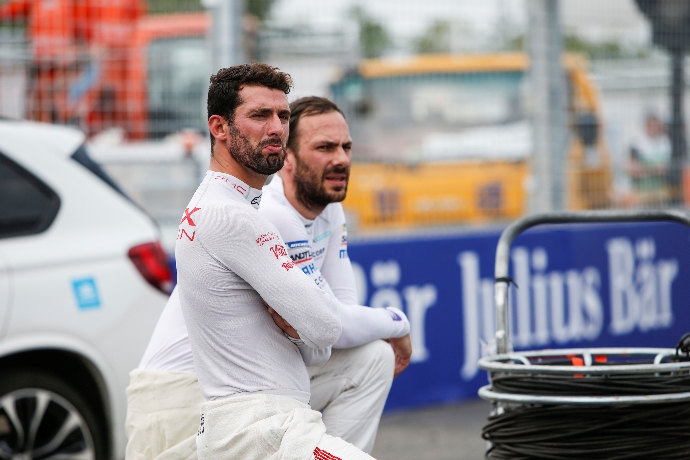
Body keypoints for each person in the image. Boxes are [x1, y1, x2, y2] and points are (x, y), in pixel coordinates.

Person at [126, 64, 410, 460]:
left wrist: (305, 328)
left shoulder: (245, 206)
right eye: (260, 115)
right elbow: (327, 325)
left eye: (283, 116)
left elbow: (330, 324)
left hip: (254, 411)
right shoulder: (237, 214)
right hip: (188, 403)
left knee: (370, 358)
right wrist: (390, 321)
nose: (276, 128)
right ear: (219, 128)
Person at [628, 114, 672, 206]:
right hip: (642, 191)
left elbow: (664, 169)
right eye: (650, 126)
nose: (653, 128)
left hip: (660, 190)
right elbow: (632, 169)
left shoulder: (664, 142)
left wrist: (645, 169)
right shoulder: (637, 143)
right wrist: (653, 169)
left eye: (655, 126)